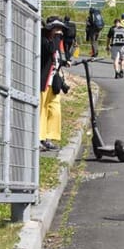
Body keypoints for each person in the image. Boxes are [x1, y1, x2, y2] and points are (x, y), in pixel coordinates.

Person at [39, 17, 68, 152]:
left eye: (60, 29)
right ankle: (40, 137)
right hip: (43, 81)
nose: (60, 32)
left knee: (54, 110)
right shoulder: (43, 39)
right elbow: (50, 50)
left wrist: (63, 62)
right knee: (42, 110)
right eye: (57, 29)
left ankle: (49, 137)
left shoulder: (54, 41)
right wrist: (56, 38)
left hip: (53, 82)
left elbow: (55, 57)